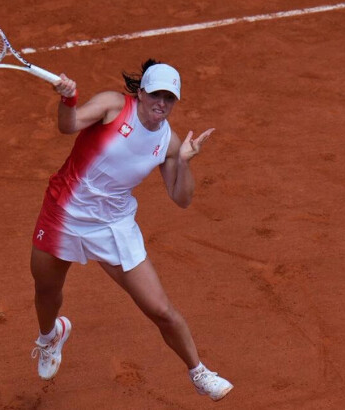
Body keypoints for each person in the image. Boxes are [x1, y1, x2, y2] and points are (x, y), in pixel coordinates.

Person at [29, 59, 233, 401]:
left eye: (170, 99)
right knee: (47, 288)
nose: (162, 104)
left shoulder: (169, 142)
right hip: (64, 210)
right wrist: (68, 100)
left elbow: (181, 198)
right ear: (141, 93)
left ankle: (199, 372)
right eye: (156, 95)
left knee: (159, 309)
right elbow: (70, 126)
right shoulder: (112, 107)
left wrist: (183, 161)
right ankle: (50, 336)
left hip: (112, 225)